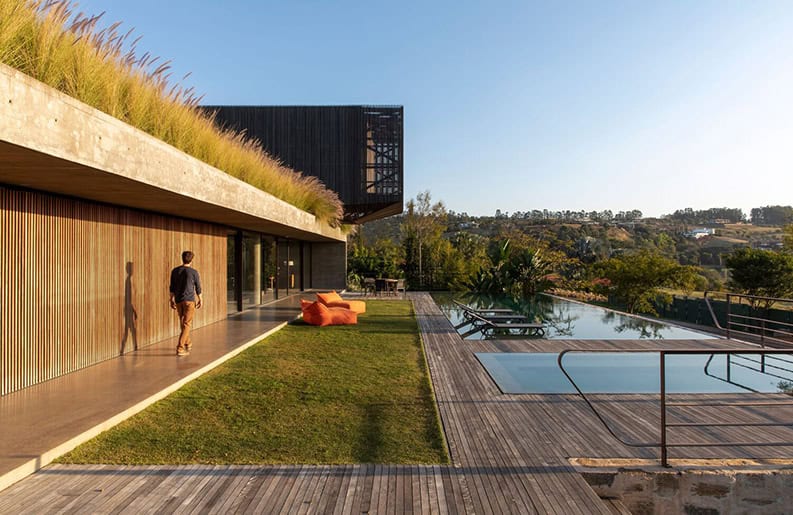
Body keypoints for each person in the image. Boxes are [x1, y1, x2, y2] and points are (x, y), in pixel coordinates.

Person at [169, 250, 203, 356]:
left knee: (183, 323)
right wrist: (201, 299)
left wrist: (171, 299)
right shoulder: (193, 272)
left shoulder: (175, 271)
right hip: (189, 301)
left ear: (182, 258)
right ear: (191, 260)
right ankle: (180, 348)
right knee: (187, 324)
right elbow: (198, 287)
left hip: (179, 300)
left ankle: (188, 342)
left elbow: (172, 287)